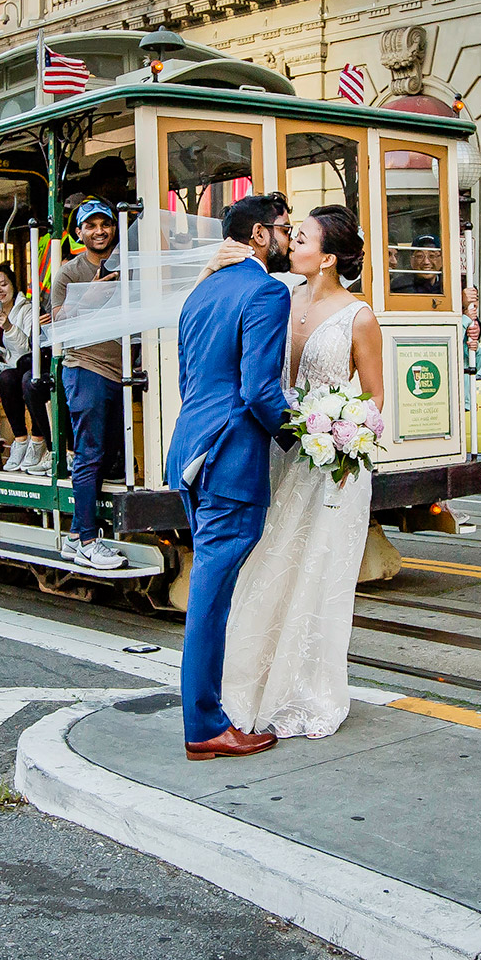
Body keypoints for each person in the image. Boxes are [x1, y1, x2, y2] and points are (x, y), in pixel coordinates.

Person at [218, 206, 384, 741]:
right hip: (283, 454)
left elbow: (377, 398)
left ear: (328, 257)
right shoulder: (281, 299)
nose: (290, 241)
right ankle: (253, 684)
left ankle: (305, 689)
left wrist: (347, 434)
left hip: (331, 467)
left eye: (302, 236)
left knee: (315, 574)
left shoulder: (359, 316)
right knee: (268, 565)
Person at [165, 192, 294, 762]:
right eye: (285, 228)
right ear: (261, 235)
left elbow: (190, 381)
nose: (289, 238)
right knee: (210, 599)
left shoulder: (200, 292)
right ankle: (204, 726)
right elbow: (260, 391)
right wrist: (307, 438)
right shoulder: (266, 290)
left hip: (193, 451)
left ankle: (207, 718)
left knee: (208, 593)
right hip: (230, 459)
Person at [50, 200, 130, 570]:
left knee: (109, 456)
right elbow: (57, 323)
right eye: (91, 225)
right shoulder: (68, 272)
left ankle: (77, 536)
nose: (100, 231)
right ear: (78, 233)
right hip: (86, 368)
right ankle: (84, 538)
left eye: (106, 224)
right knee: (90, 454)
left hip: (123, 371)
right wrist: (89, 297)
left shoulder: (128, 263)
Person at [0, 264, 51, 474]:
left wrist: (7, 327)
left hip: (30, 364)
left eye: (3, 284)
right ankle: (20, 440)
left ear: (14, 286)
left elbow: (28, 349)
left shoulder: (28, 309)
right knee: (5, 378)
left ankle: (37, 440)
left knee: (28, 379)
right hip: (10, 368)